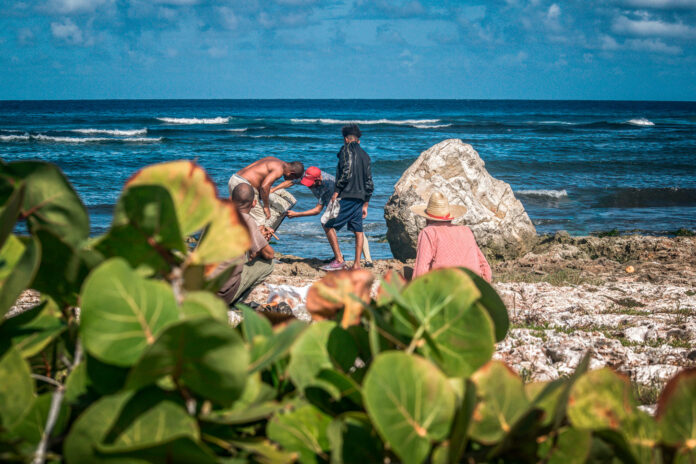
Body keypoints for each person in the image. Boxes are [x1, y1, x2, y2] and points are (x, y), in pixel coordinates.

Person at [322, 124, 374, 271]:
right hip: (360, 198)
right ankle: (357, 264)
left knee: (326, 224)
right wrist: (366, 204)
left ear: (346, 139)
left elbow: (345, 172)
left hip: (347, 196)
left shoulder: (345, 150)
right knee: (358, 231)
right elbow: (369, 182)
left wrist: (336, 192)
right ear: (358, 140)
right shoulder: (366, 155)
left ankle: (339, 259)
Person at [411, 191, 492, 282]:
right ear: (450, 217)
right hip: (472, 288)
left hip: (447, 289)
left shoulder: (428, 232)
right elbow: (485, 267)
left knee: (404, 273)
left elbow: (421, 271)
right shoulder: (466, 231)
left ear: (427, 218)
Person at [216, 183, 275, 305]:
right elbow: (269, 254)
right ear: (253, 203)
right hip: (221, 294)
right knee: (268, 264)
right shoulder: (246, 220)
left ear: (230, 200)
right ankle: (236, 301)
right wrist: (261, 242)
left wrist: (257, 238)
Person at [228, 157, 304, 226]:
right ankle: (256, 240)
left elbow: (258, 176)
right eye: (292, 178)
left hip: (235, 179)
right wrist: (266, 206)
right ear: (291, 173)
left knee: (241, 212)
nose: (290, 180)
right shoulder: (279, 170)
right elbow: (264, 187)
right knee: (260, 219)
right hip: (245, 186)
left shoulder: (273, 159)